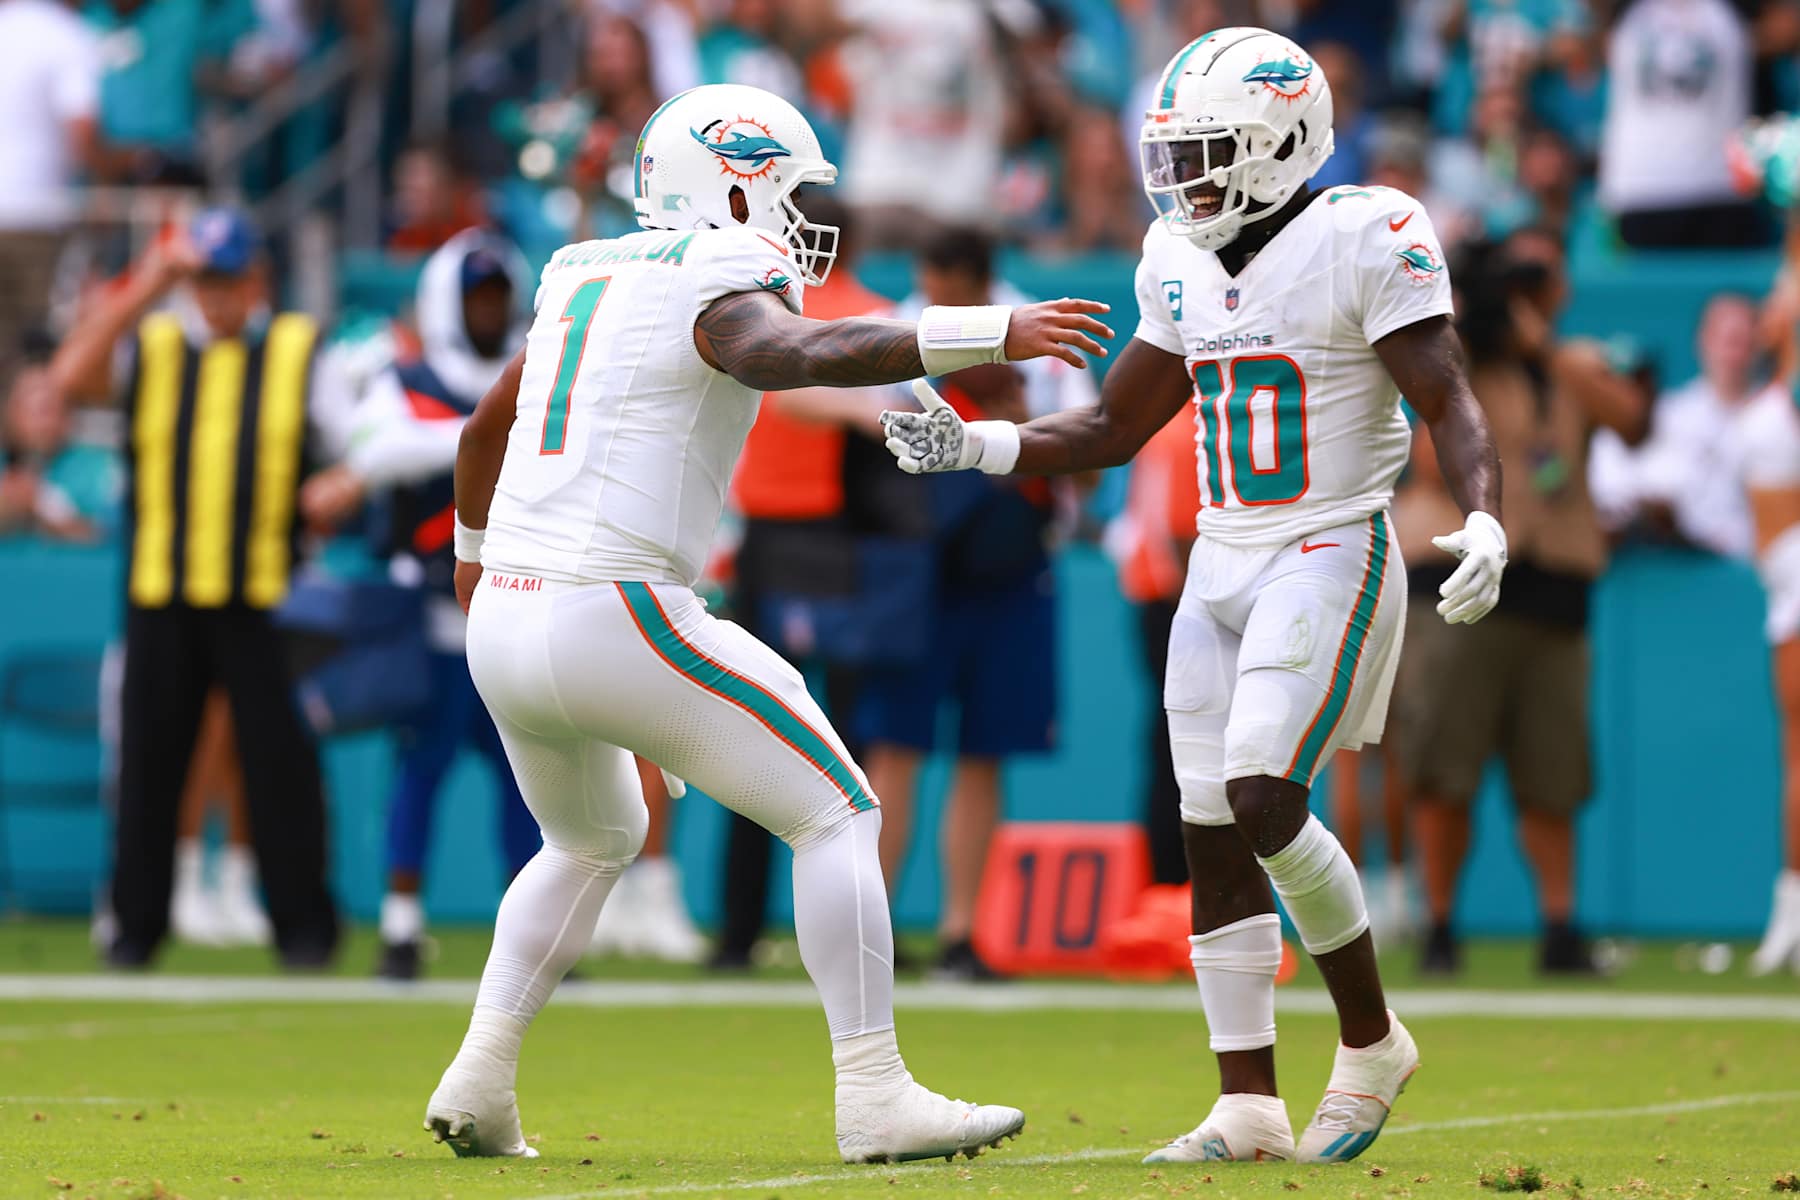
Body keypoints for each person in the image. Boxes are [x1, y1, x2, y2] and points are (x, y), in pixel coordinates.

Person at [429, 82, 1111, 1163]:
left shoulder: (581, 273)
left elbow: (483, 430)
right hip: (612, 603)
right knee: (838, 808)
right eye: (787, 189)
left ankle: (480, 1078)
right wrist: (987, 333)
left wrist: (471, 569)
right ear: (733, 181)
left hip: (509, 613)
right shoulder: (714, 274)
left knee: (591, 836)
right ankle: (875, 1092)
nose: (798, 216)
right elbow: (783, 356)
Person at [881, 28, 1505, 1164]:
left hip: (1326, 541)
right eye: (1177, 154)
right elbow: (1117, 426)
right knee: (1209, 831)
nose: (1186, 178)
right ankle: (1247, 1102)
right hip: (1218, 559)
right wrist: (979, 446)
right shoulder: (1174, 254)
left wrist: (1485, 509)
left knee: (1267, 793)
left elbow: (1446, 396)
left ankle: (1370, 1039)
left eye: (1211, 151)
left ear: (1281, 144)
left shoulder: (1368, 232)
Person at [48, 207, 342, 967]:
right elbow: (67, 379)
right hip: (163, 591)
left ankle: (304, 929)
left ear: (258, 282)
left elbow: (352, 442)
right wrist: (149, 280)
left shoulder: (298, 350)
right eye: (203, 281)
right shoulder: (153, 345)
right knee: (150, 766)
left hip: (265, 596)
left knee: (280, 768)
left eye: (229, 280)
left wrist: (339, 488)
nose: (216, 297)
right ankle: (135, 928)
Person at [299, 229, 544, 980]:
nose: (486, 310)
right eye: (474, 296)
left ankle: (532, 942)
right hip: (432, 616)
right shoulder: (408, 378)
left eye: (497, 296)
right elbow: (381, 452)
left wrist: (477, 435)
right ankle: (401, 926)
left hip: (518, 610)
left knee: (528, 784)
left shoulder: (528, 371)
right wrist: (489, 436)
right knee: (421, 769)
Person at [1403, 230, 1648, 977]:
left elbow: (1633, 420)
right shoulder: (1449, 360)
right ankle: (1439, 927)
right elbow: (1420, 456)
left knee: (1553, 776)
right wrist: (1468, 330)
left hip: (1553, 593)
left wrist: (1543, 350)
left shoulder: (1569, 365)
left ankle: (1559, 928)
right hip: (1459, 588)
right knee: (1444, 770)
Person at [861, 226, 1097, 981]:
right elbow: (853, 438)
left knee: (983, 752)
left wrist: (1012, 421)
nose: (940, 304)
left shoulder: (1042, 336)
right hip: (913, 569)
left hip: (1009, 564)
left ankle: (962, 932)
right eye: (932, 291)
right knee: (892, 751)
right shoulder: (893, 332)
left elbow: (1090, 454)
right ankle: (874, 933)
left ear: (985, 285)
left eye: (954, 293)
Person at [710, 192, 892, 971]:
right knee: (842, 753)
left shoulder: (769, 308)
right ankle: (836, 939)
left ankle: (739, 933)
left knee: (759, 741)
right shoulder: (869, 312)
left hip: (797, 538)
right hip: (834, 543)